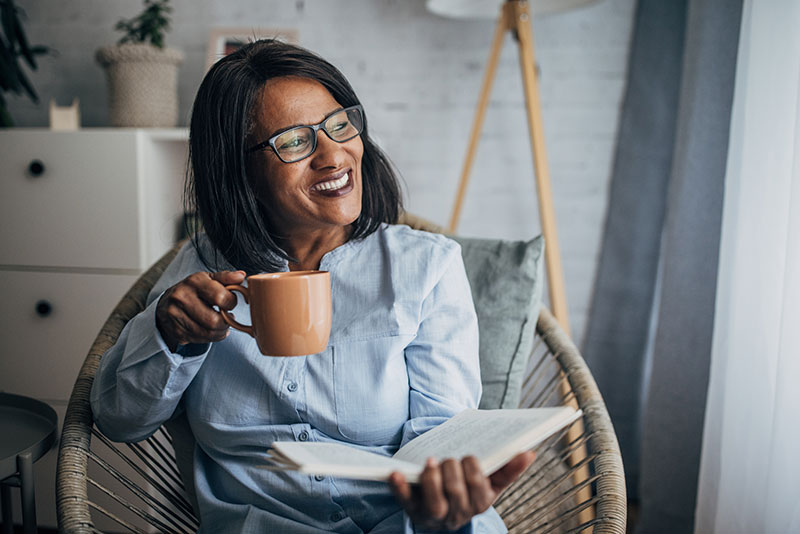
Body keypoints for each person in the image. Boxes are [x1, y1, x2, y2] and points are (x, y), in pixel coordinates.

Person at [90, 39, 535, 533]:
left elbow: (441, 437)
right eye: (295, 141)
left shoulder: (426, 266)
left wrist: (442, 497)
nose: (333, 155)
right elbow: (118, 420)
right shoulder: (199, 271)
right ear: (241, 170)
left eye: (338, 125)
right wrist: (168, 335)